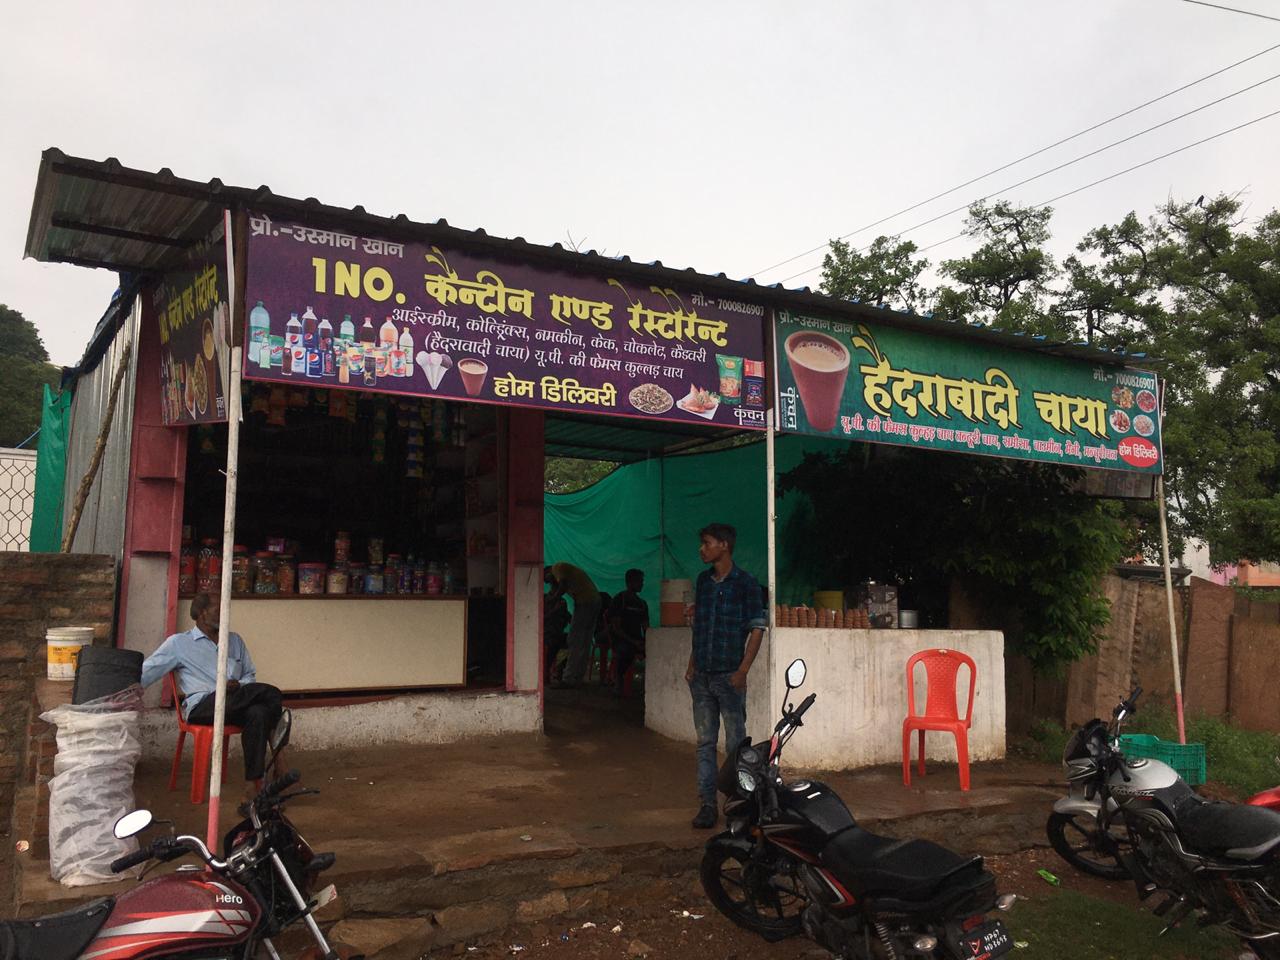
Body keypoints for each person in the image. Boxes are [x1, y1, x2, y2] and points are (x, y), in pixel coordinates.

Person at [141, 593, 288, 800]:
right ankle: (280, 762)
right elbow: (147, 671)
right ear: (201, 613)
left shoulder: (235, 641)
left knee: (259, 712)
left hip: (235, 702)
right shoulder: (179, 643)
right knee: (271, 693)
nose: (224, 615)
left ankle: (252, 785)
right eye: (218, 610)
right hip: (203, 706)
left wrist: (239, 684)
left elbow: (249, 675)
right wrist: (120, 689)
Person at [687, 523, 766, 829]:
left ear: (723, 545)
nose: (701, 549)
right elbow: (701, 627)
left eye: (706, 543)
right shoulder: (703, 582)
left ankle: (737, 805)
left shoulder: (746, 583)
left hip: (729, 677)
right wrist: (692, 664)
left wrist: (743, 670)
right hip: (702, 677)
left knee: (735, 747)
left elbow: (757, 629)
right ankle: (707, 805)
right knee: (705, 743)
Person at [544, 561, 601, 688]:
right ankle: (577, 677)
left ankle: (569, 678)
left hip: (585, 602)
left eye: (547, 580)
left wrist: (554, 600)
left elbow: (563, 585)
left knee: (575, 640)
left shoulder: (557, 567)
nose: (549, 583)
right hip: (592, 601)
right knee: (584, 641)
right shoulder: (566, 572)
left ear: (547, 572)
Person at [608, 569, 649, 696]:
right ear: (629, 582)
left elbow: (646, 628)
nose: (642, 584)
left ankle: (648, 685)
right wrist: (633, 642)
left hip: (637, 640)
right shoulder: (620, 600)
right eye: (639, 581)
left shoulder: (642, 604)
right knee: (625, 651)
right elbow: (616, 628)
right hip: (621, 639)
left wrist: (648, 642)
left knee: (656, 650)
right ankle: (618, 681)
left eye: (642, 581)